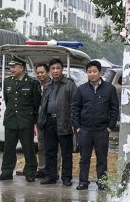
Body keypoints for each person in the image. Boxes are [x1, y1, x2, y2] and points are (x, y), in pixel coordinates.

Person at [71, 60, 119, 190]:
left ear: (100, 72)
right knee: (84, 158)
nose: (92, 74)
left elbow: (114, 109)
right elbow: (75, 108)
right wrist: (78, 127)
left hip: (102, 130)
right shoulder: (82, 89)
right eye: (89, 72)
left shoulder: (109, 89)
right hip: (85, 129)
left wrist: (110, 127)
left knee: (102, 158)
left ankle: (102, 182)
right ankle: (83, 182)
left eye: (94, 71)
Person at [0, 56, 41, 182]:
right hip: (11, 120)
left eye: (13, 66)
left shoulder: (32, 82)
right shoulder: (8, 81)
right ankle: (6, 172)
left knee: (28, 149)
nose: (11, 69)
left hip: (25, 121)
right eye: (10, 66)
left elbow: (36, 103)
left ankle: (30, 172)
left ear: (21, 68)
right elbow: (7, 99)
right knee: (8, 149)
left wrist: (32, 119)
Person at [38, 58, 78, 186]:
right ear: (50, 71)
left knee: (66, 152)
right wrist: (41, 121)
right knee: (50, 151)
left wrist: (73, 122)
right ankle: (51, 176)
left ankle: (66, 178)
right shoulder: (47, 85)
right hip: (49, 121)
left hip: (64, 121)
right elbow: (44, 104)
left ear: (62, 69)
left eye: (58, 68)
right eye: (53, 69)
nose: (55, 71)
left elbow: (75, 105)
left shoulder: (69, 84)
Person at [34, 63, 50, 178]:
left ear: (47, 72)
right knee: (41, 145)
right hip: (40, 121)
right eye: (38, 73)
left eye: (42, 72)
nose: (40, 75)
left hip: (51, 120)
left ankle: (53, 170)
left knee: (53, 147)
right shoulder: (36, 85)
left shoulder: (53, 85)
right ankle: (42, 168)